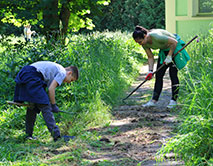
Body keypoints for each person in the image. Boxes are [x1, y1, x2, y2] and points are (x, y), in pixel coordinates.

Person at [14, 61, 79, 141]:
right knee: (45, 106)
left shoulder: (56, 70)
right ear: (69, 73)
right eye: (71, 80)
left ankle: (28, 135)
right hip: (32, 76)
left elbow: (47, 89)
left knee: (33, 106)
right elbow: (51, 89)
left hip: (26, 73)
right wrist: (53, 105)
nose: (69, 82)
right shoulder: (62, 72)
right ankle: (57, 137)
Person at [132, 26, 190, 108]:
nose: (140, 44)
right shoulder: (144, 43)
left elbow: (174, 42)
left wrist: (169, 56)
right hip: (164, 51)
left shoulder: (156, 36)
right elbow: (150, 57)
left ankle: (173, 101)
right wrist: (150, 71)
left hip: (174, 48)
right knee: (158, 75)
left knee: (173, 74)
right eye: (138, 43)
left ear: (145, 36)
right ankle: (153, 101)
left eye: (140, 42)